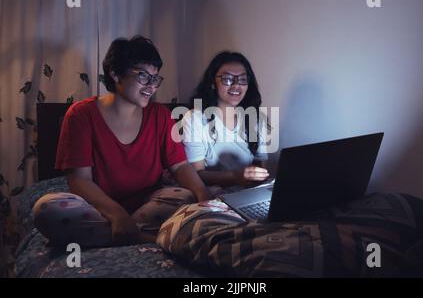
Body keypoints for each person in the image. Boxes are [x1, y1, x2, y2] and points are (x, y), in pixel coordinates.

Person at [33, 35, 210, 247]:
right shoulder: (81, 115)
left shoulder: (160, 115)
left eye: (155, 78)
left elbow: (180, 165)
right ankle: (145, 236)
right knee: (46, 209)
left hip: (149, 203)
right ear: (115, 74)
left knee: (184, 196)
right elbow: (79, 180)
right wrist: (117, 214)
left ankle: (115, 235)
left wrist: (205, 198)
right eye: (143, 76)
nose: (151, 86)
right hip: (97, 207)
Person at [182, 51, 270, 194]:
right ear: (212, 82)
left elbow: (261, 168)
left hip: (247, 194)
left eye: (242, 79)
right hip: (211, 194)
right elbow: (196, 175)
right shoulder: (195, 118)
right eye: (227, 79)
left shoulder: (255, 119)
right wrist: (235, 177)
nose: (236, 86)